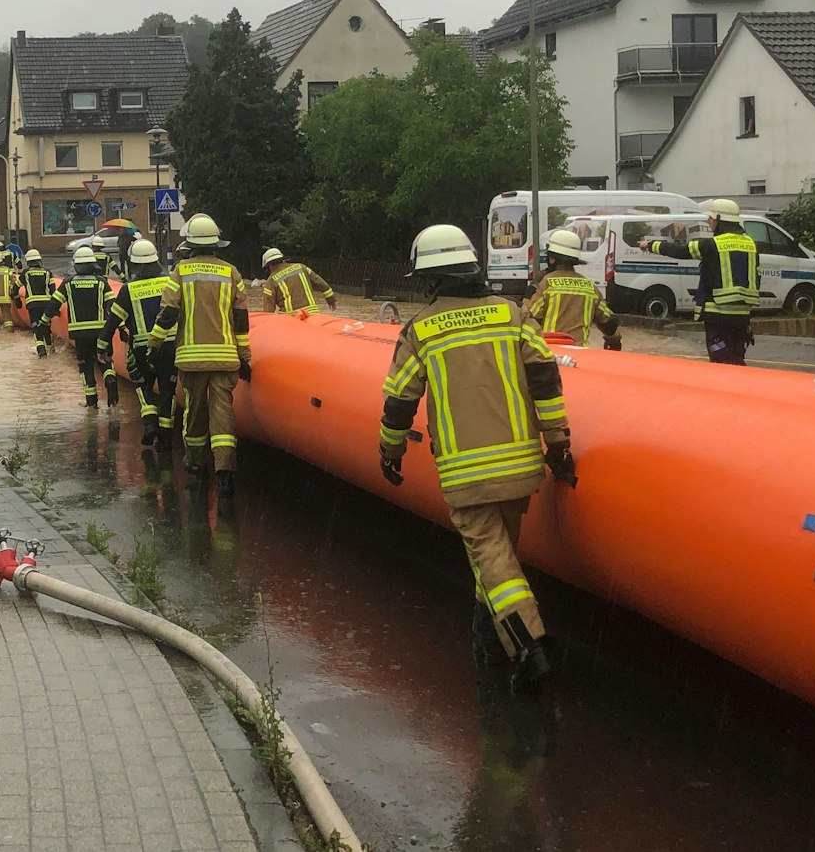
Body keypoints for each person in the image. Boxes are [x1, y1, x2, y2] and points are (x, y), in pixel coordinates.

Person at [378, 224, 576, 693]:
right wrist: (559, 444)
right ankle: (490, 646)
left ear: (429, 278)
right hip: (522, 467)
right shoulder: (513, 315)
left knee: (491, 557)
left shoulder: (421, 329)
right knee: (495, 557)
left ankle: (532, 645)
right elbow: (546, 382)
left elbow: (398, 404)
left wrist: (390, 449)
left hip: (468, 473)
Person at [150, 214, 250, 494]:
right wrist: (245, 357)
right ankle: (225, 472)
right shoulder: (232, 272)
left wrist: (154, 344)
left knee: (194, 412)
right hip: (225, 358)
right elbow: (241, 321)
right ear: (217, 245)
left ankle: (196, 463)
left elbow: (168, 313)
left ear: (190, 245)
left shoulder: (180, 272)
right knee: (223, 414)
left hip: (192, 360)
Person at [636, 198, 757, 365]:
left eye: (711, 218)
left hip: (717, 315)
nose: (709, 222)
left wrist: (650, 245)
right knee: (737, 358)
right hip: (742, 316)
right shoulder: (751, 244)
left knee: (720, 358)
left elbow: (680, 250)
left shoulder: (712, 244)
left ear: (720, 219)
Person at [107, 238, 177, 446]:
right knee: (167, 390)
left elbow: (114, 318)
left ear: (135, 264)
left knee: (143, 386)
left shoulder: (129, 289)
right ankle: (166, 435)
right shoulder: (170, 282)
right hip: (169, 346)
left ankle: (149, 424)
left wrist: (103, 342)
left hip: (140, 349)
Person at [525, 229, 622, 349]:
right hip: (581, 354)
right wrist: (614, 339)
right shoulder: (589, 287)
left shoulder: (546, 283)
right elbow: (608, 321)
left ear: (552, 259)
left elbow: (530, 316)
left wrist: (530, 292)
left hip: (550, 352)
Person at [52, 245, 115, 409]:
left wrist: (44, 319)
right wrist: (121, 328)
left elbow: (54, 303)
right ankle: (110, 380)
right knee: (105, 361)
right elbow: (112, 307)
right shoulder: (102, 282)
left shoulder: (68, 283)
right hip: (101, 332)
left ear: (76, 265)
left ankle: (92, 402)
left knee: (85, 366)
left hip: (80, 334)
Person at [258, 247, 337, 314]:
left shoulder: (270, 282)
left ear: (269, 266)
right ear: (282, 260)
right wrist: (331, 299)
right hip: (312, 314)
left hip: (291, 320)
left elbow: (268, 312)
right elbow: (322, 285)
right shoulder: (302, 268)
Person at [16, 250, 57, 357]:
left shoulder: (25, 273)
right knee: (46, 326)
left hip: (33, 305)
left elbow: (15, 288)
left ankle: (40, 349)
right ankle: (51, 350)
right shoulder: (48, 273)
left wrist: (17, 300)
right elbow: (53, 290)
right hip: (47, 305)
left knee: (36, 326)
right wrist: (55, 307)